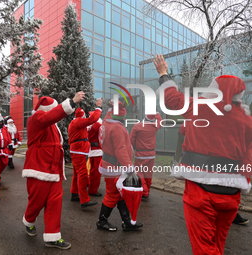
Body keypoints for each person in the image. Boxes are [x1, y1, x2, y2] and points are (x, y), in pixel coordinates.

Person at [153, 54, 252, 255]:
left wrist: (164, 74)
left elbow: (171, 99)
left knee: (204, 249)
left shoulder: (201, 107)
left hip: (201, 192)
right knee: (217, 245)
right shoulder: (246, 121)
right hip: (232, 196)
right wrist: (245, 180)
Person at [22, 92, 84, 250]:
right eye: (54, 108)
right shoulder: (36, 119)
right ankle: (29, 221)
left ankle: (52, 236)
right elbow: (49, 117)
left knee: (55, 204)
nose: (56, 110)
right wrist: (71, 101)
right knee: (37, 203)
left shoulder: (51, 124)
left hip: (54, 171)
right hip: (39, 170)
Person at [97, 101, 143, 232]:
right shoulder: (117, 128)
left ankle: (127, 222)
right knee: (113, 194)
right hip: (116, 166)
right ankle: (102, 221)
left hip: (110, 163)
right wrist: (130, 169)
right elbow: (121, 150)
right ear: (122, 117)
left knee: (120, 194)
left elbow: (108, 115)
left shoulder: (107, 122)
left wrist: (112, 106)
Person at [68, 99, 102, 208]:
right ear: (81, 116)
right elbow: (93, 119)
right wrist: (98, 108)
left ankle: (74, 194)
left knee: (76, 174)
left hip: (77, 150)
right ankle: (84, 200)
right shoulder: (78, 121)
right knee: (82, 174)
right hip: (79, 150)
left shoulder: (74, 122)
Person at [129, 113, 162, 198]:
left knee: (139, 172)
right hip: (151, 154)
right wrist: (156, 114)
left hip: (140, 154)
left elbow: (131, 139)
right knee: (148, 173)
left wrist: (132, 149)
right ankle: (147, 189)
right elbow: (160, 121)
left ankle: (144, 191)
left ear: (145, 118)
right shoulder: (154, 127)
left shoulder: (137, 126)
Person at [87, 112, 103, 196]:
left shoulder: (88, 126)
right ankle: (93, 190)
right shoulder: (98, 126)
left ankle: (90, 184)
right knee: (96, 172)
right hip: (97, 151)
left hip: (91, 150)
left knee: (91, 170)